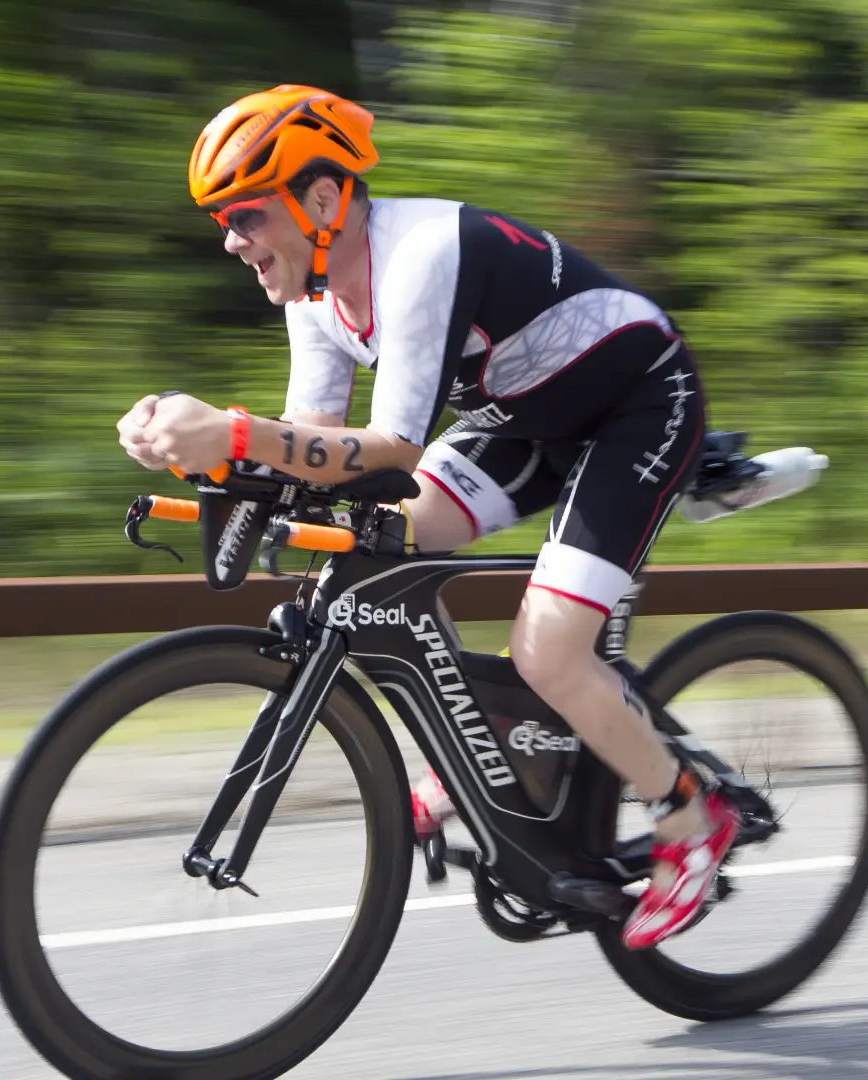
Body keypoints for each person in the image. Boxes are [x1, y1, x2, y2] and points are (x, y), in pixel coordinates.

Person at [115, 84, 738, 949]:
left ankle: (690, 817)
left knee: (550, 649)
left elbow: (395, 449)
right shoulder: (315, 296)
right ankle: (490, 741)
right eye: (224, 219)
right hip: (527, 419)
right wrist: (215, 454)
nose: (233, 241)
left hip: (636, 402)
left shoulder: (419, 255)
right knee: (386, 545)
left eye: (248, 216)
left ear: (323, 200)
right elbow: (319, 450)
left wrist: (233, 429)